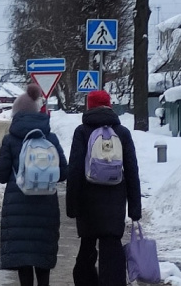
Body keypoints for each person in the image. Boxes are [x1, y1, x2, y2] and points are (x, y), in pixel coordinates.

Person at [0, 83, 68, 286]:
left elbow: (0, 176)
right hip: (46, 208)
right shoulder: (50, 137)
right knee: (42, 260)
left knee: (24, 264)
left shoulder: (10, 140)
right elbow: (63, 173)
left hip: (17, 209)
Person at [66, 90, 141, 286]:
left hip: (87, 202)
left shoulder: (82, 131)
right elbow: (132, 170)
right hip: (114, 201)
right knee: (112, 249)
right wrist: (135, 209)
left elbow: (74, 169)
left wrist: (71, 206)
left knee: (87, 247)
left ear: (89, 106)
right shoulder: (122, 132)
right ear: (110, 105)